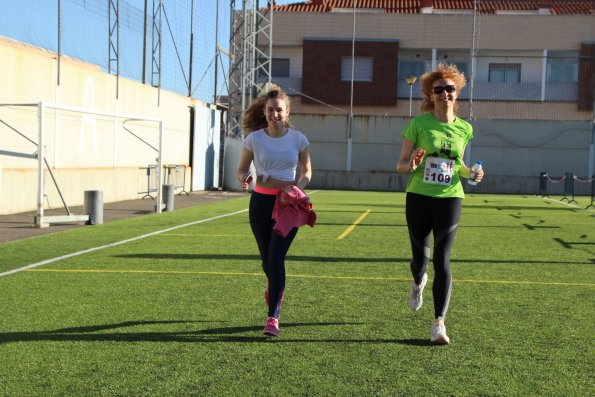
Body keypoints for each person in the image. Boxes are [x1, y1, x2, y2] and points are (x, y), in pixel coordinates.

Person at [396, 64, 484, 345]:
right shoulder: (419, 124)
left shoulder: (465, 129)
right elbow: (400, 165)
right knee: (420, 260)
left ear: (457, 93)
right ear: (430, 94)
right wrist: (413, 163)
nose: (445, 93)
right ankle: (417, 282)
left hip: (450, 198)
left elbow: (457, 166)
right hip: (419, 196)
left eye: (450, 89)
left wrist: (472, 173)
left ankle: (439, 324)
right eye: (439, 90)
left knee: (443, 258)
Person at [236, 85, 312, 337]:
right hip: (260, 204)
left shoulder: (298, 139)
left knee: (276, 258)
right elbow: (242, 170)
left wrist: (296, 190)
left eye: (279, 110)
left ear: (287, 111)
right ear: (265, 111)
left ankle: (273, 317)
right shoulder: (254, 139)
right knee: (267, 261)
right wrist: (245, 178)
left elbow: (307, 172)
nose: (274, 114)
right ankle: (274, 286)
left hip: (288, 206)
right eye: (270, 110)